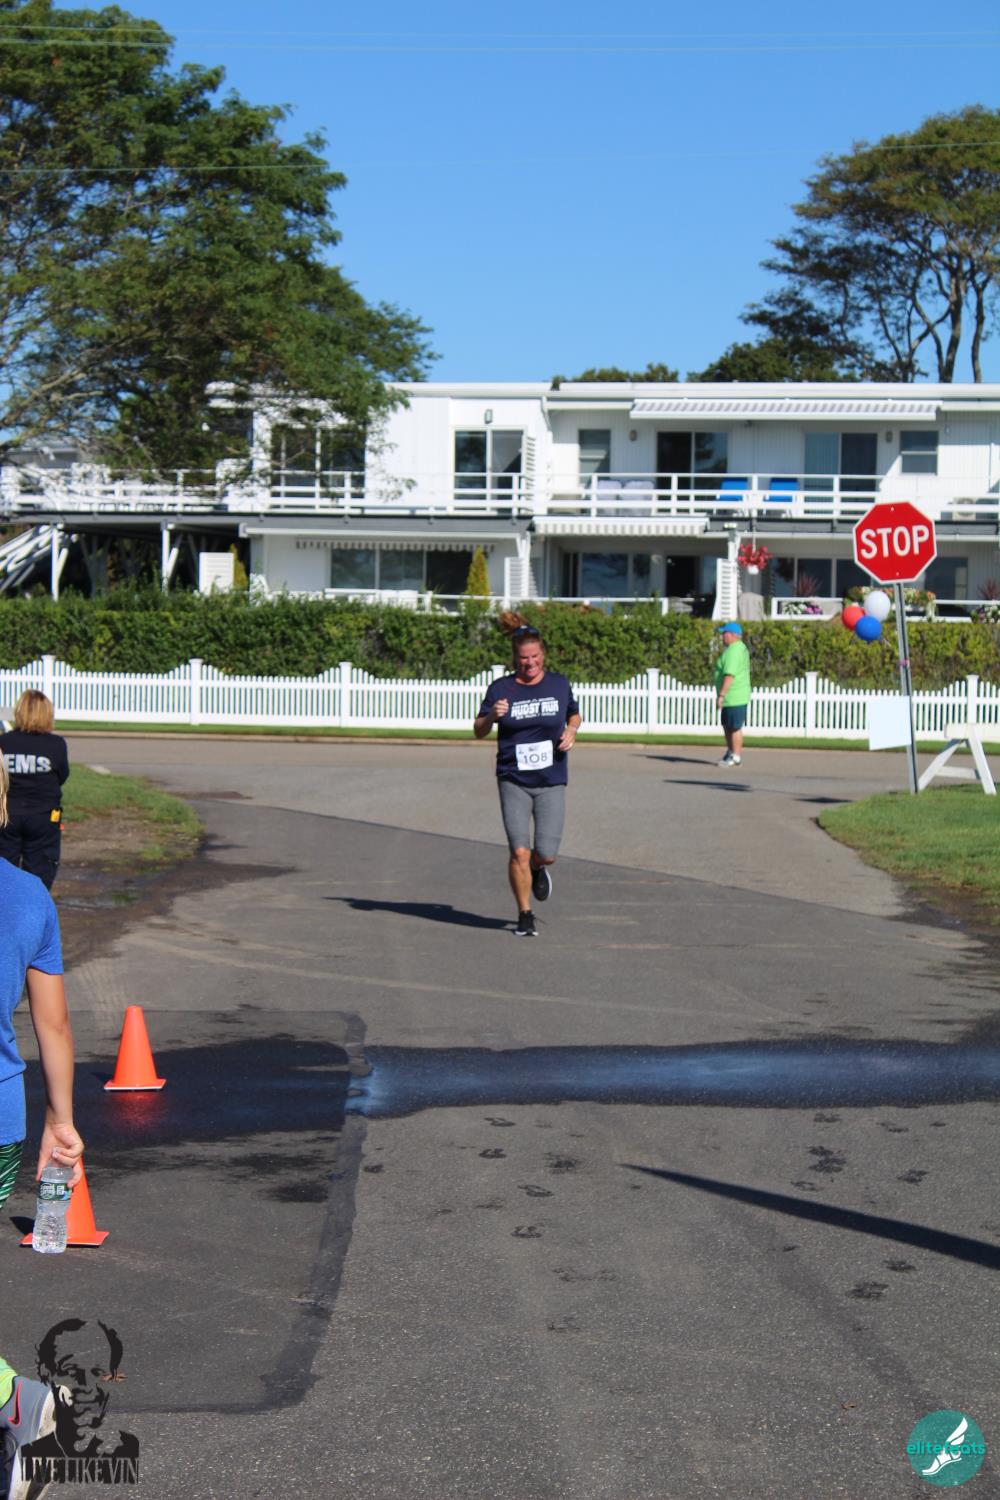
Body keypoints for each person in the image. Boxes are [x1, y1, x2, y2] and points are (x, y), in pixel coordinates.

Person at [0, 755, 83, 1499]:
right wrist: (62, 1119)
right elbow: (51, 1024)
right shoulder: (30, 896)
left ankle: (20, 1404)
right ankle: (22, 1408)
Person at [474, 615, 581, 937]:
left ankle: (537, 867)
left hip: (551, 780)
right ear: (514, 659)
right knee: (518, 850)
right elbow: (478, 730)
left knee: (546, 854)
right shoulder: (501, 688)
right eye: (523, 658)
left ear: (543, 655)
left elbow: (573, 713)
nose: (529, 663)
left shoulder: (559, 684)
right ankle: (525, 913)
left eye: (534, 656)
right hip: (513, 779)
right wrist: (492, 716)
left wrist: (572, 730)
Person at [0, 691, 70, 891]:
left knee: (5, 870)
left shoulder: (4, 743)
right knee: (40, 871)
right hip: (43, 816)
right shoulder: (56, 745)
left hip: (8, 815)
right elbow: (62, 776)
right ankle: (33, 903)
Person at [714, 621, 751, 768]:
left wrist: (721, 695)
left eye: (724, 633)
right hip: (732, 697)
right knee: (727, 725)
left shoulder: (734, 651)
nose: (722, 636)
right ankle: (731, 751)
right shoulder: (737, 648)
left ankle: (736, 756)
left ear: (732, 635)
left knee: (734, 727)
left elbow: (729, 675)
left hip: (734, 696)